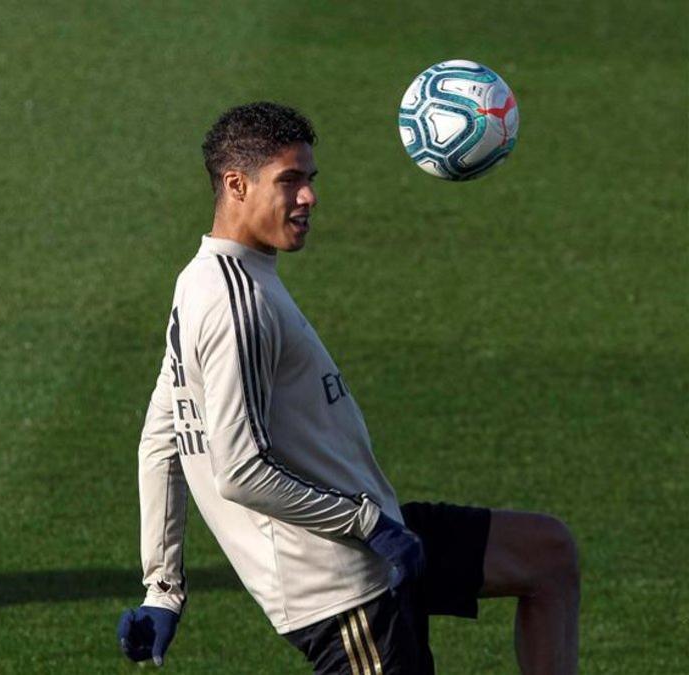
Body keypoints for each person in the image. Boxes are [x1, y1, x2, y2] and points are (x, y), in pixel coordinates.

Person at [116, 102, 580, 674]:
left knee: (548, 555)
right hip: (342, 587)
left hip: (376, 538)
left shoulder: (210, 281)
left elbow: (163, 436)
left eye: (309, 180)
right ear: (236, 184)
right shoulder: (234, 304)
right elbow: (239, 473)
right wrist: (368, 525)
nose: (308, 197)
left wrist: (162, 588)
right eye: (289, 181)